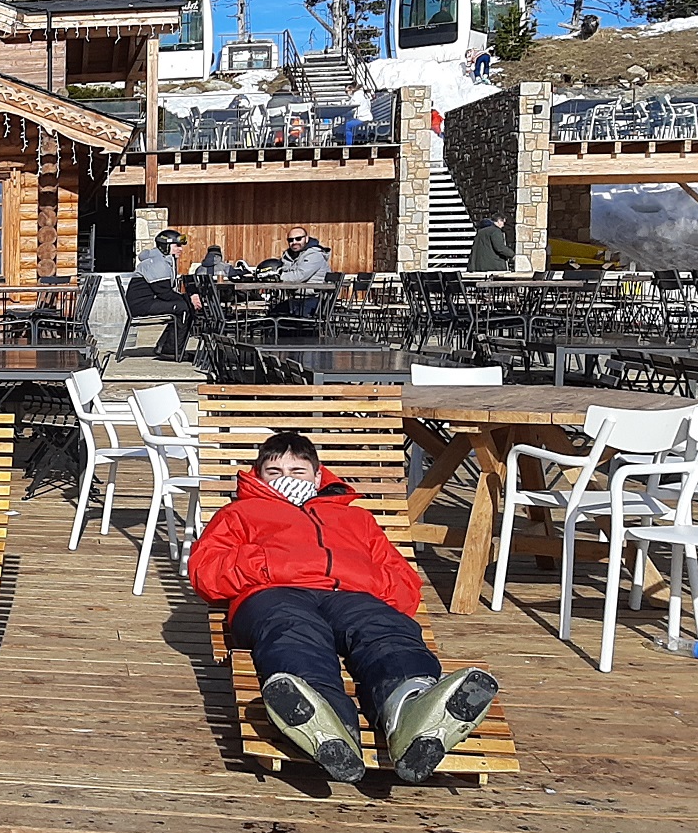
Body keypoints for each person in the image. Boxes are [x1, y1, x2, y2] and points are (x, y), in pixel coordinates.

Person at [190, 432, 501, 785]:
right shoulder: (239, 514)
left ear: (318, 476)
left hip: (351, 594)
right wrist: (269, 563)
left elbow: (404, 584)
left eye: (297, 470)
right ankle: (322, 717)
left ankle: (412, 708)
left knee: (385, 628)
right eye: (274, 472)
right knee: (292, 631)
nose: (286, 478)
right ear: (258, 477)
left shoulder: (356, 519)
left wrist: (366, 581)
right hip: (274, 593)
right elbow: (206, 572)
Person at [124, 227, 201, 361]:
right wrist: (189, 299)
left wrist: (187, 298)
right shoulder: (157, 263)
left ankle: (164, 347)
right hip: (142, 305)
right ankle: (171, 351)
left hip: (147, 301)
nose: (181, 249)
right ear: (165, 246)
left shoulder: (162, 259)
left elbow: (165, 292)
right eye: (177, 246)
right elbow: (164, 293)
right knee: (184, 308)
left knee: (181, 306)